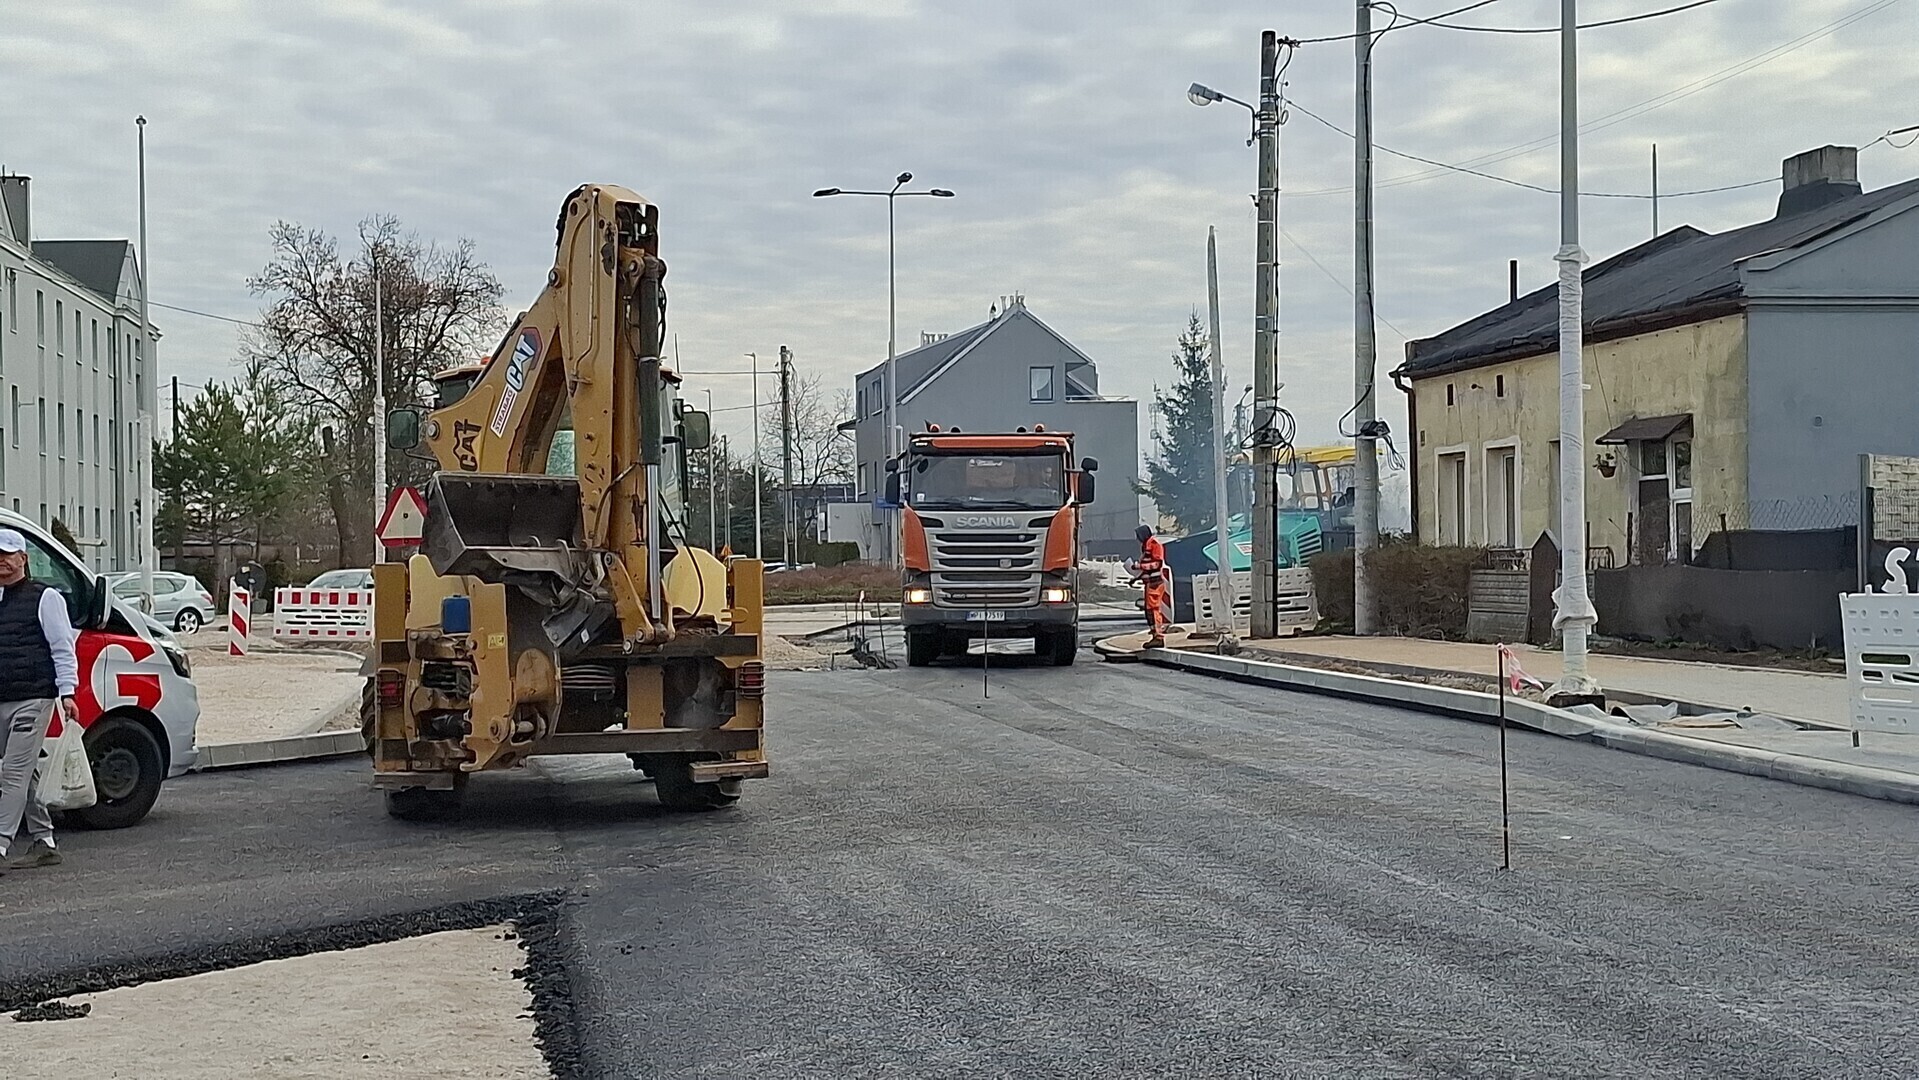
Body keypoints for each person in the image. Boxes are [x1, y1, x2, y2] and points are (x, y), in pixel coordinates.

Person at [0, 528, 77, 874]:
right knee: (24, 771)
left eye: (8, 554)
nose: (2, 560)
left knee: (13, 773)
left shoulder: (45, 598)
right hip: (3, 697)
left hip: (33, 698)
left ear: (23, 559)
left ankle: (0, 845)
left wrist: (67, 692)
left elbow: (62, 647)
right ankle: (44, 841)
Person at [1132, 524, 1171, 648]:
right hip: (1150, 583)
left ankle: (1158, 637)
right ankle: (1155, 634)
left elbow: (1156, 564)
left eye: (1138, 535)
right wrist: (1136, 578)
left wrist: (1139, 566)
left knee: (1153, 609)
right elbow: (1148, 567)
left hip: (1155, 583)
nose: (1137, 538)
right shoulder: (1146, 546)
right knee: (1149, 610)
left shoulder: (1154, 544)